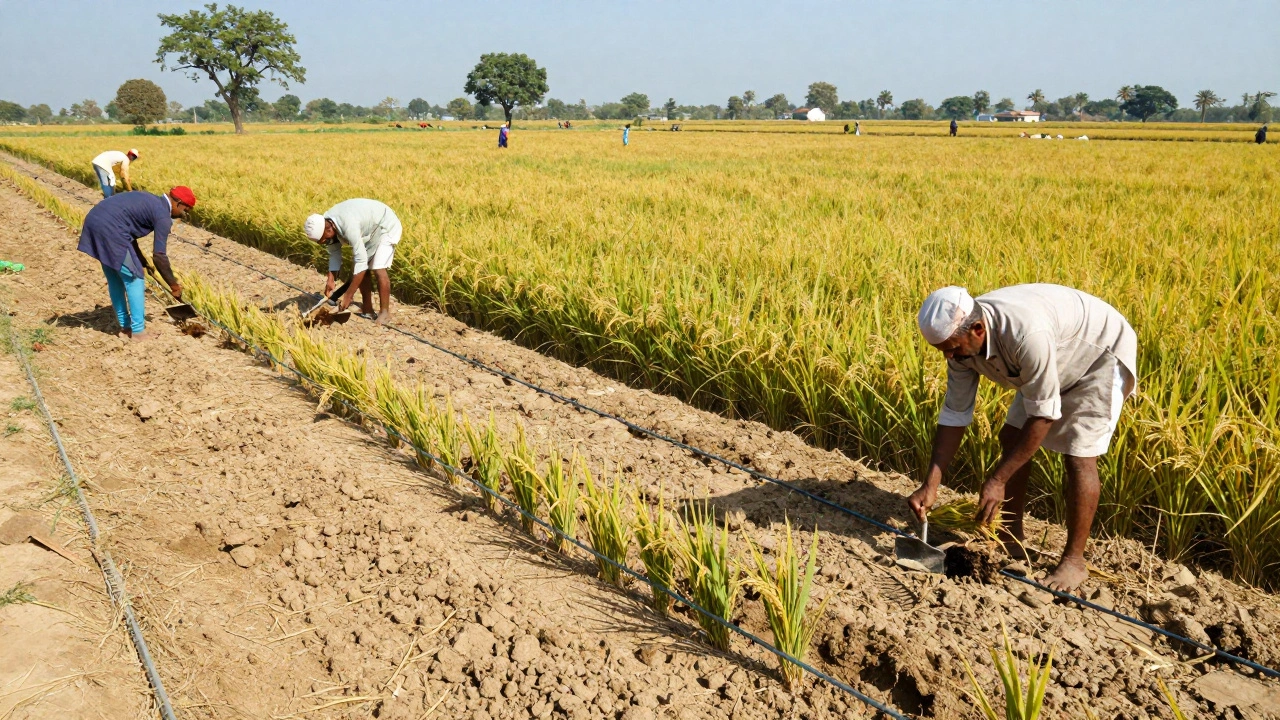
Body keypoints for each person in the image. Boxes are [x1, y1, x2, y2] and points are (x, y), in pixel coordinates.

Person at [907, 284, 1137, 592]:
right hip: (1053, 355)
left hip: (1097, 354)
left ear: (977, 329)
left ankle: (1074, 562)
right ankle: (1011, 538)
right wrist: (931, 483)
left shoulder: (1026, 335)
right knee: (1012, 435)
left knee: (1079, 455)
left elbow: (1044, 416)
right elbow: (955, 413)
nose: (949, 355)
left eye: (952, 347)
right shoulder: (962, 346)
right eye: (943, 349)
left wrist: (998, 480)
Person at [77, 186, 195, 340]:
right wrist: (173, 285)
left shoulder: (151, 200)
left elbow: (129, 233)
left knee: (115, 276)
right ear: (179, 202)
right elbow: (159, 255)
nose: (184, 215)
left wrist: (141, 260)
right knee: (135, 278)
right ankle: (138, 331)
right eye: (186, 210)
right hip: (111, 229)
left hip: (95, 220)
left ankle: (125, 327)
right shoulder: (163, 216)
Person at [304, 199, 402, 325]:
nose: (327, 243)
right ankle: (368, 308)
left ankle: (384, 312)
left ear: (329, 230)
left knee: (378, 267)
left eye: (326, 240)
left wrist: (348, 296)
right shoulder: (327, 225)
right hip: (370, 229)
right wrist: (330, 280)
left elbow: (361, 262)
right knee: (361, 267)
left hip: (385, 224)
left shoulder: (348, 226)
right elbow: (334, 253)